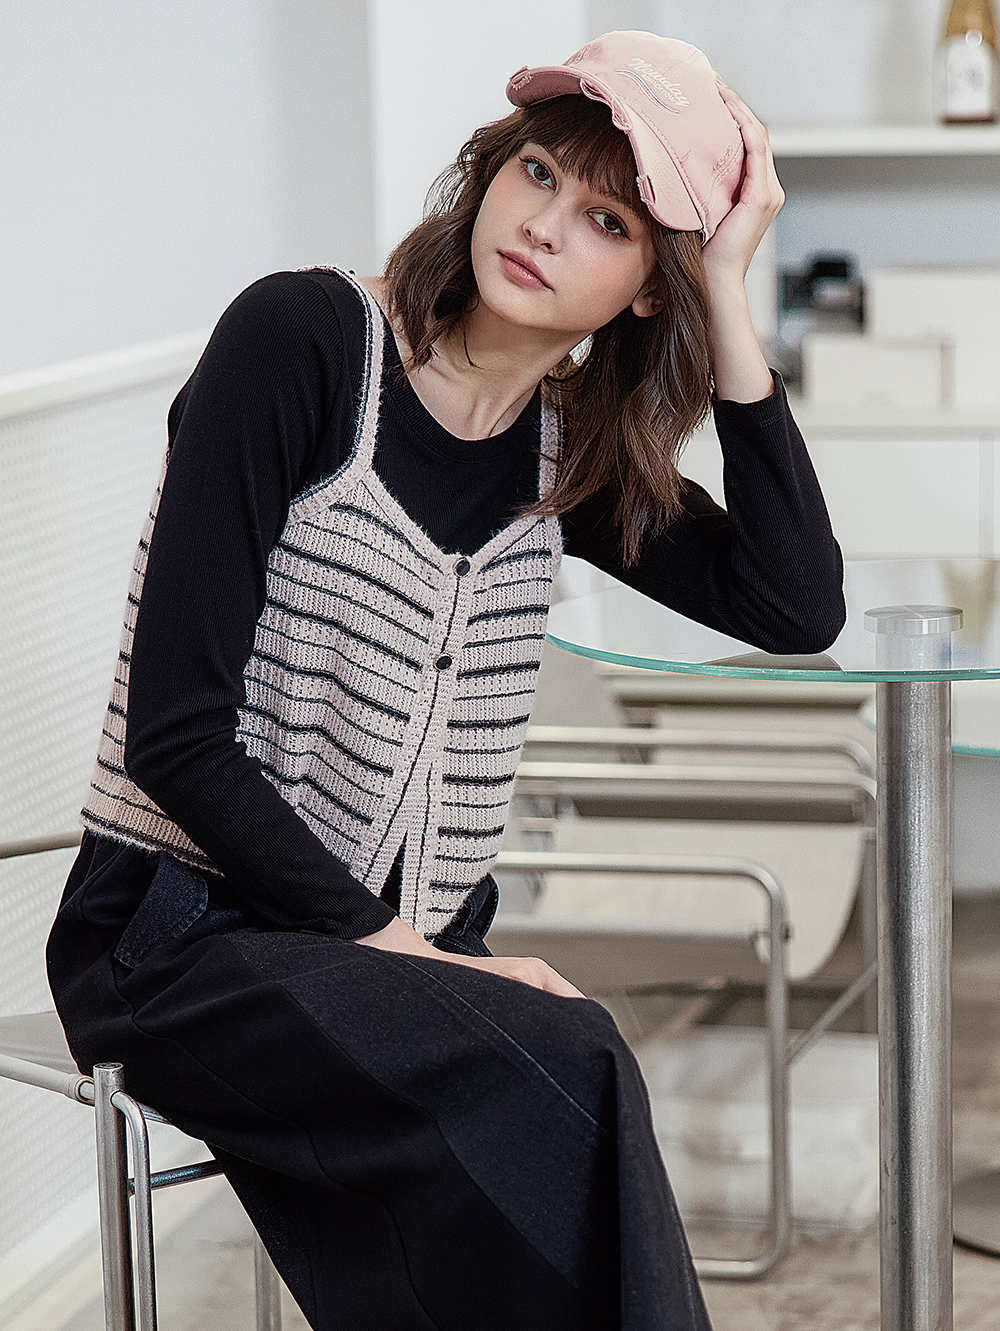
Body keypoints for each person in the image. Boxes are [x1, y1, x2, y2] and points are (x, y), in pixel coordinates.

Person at [46, 30, 845, 1331]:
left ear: (652, 291)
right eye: (537, 173)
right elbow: (174, 739)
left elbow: (794, 604)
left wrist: (729, 290)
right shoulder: (305, 344)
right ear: (491, 172)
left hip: (392, 966)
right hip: (174, 940)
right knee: (572, 1063)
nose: (545, 225)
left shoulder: (566, 459)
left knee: (547, 1134)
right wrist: (406, 951)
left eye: (608, 221)